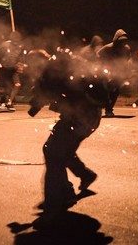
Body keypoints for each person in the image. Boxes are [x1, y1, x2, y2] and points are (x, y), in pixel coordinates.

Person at [28, 48, 106, 223]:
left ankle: (58, 198)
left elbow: (43, 95)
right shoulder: (63, 64)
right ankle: (84, 176)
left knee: (51, 151)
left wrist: (34, 107)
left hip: (79, 118)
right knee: (63, 150)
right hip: (92, 117)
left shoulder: (51, 71)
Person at [96, 29, 131, 117]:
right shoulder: (108, 47)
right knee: (106, 91)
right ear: (116, 40)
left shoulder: (126, 49)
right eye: (120, 41)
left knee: (116, 92)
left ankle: (109, 109)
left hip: (118, 71)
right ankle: (107, 108)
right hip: (107, 71)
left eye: (124, 41)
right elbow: (98, 54)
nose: (122, 43)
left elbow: (126, 60)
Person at [0, 31, 26, 111]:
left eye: (17, 41)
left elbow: (21, 57)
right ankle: (3, 102)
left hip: (14, 69)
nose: (16, 42)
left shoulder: (20, 46)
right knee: (5, 87)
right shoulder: (4, 45)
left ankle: (9, 101)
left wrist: (21, 64)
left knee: (17, 84)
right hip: (4, 68)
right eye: (15, 40)